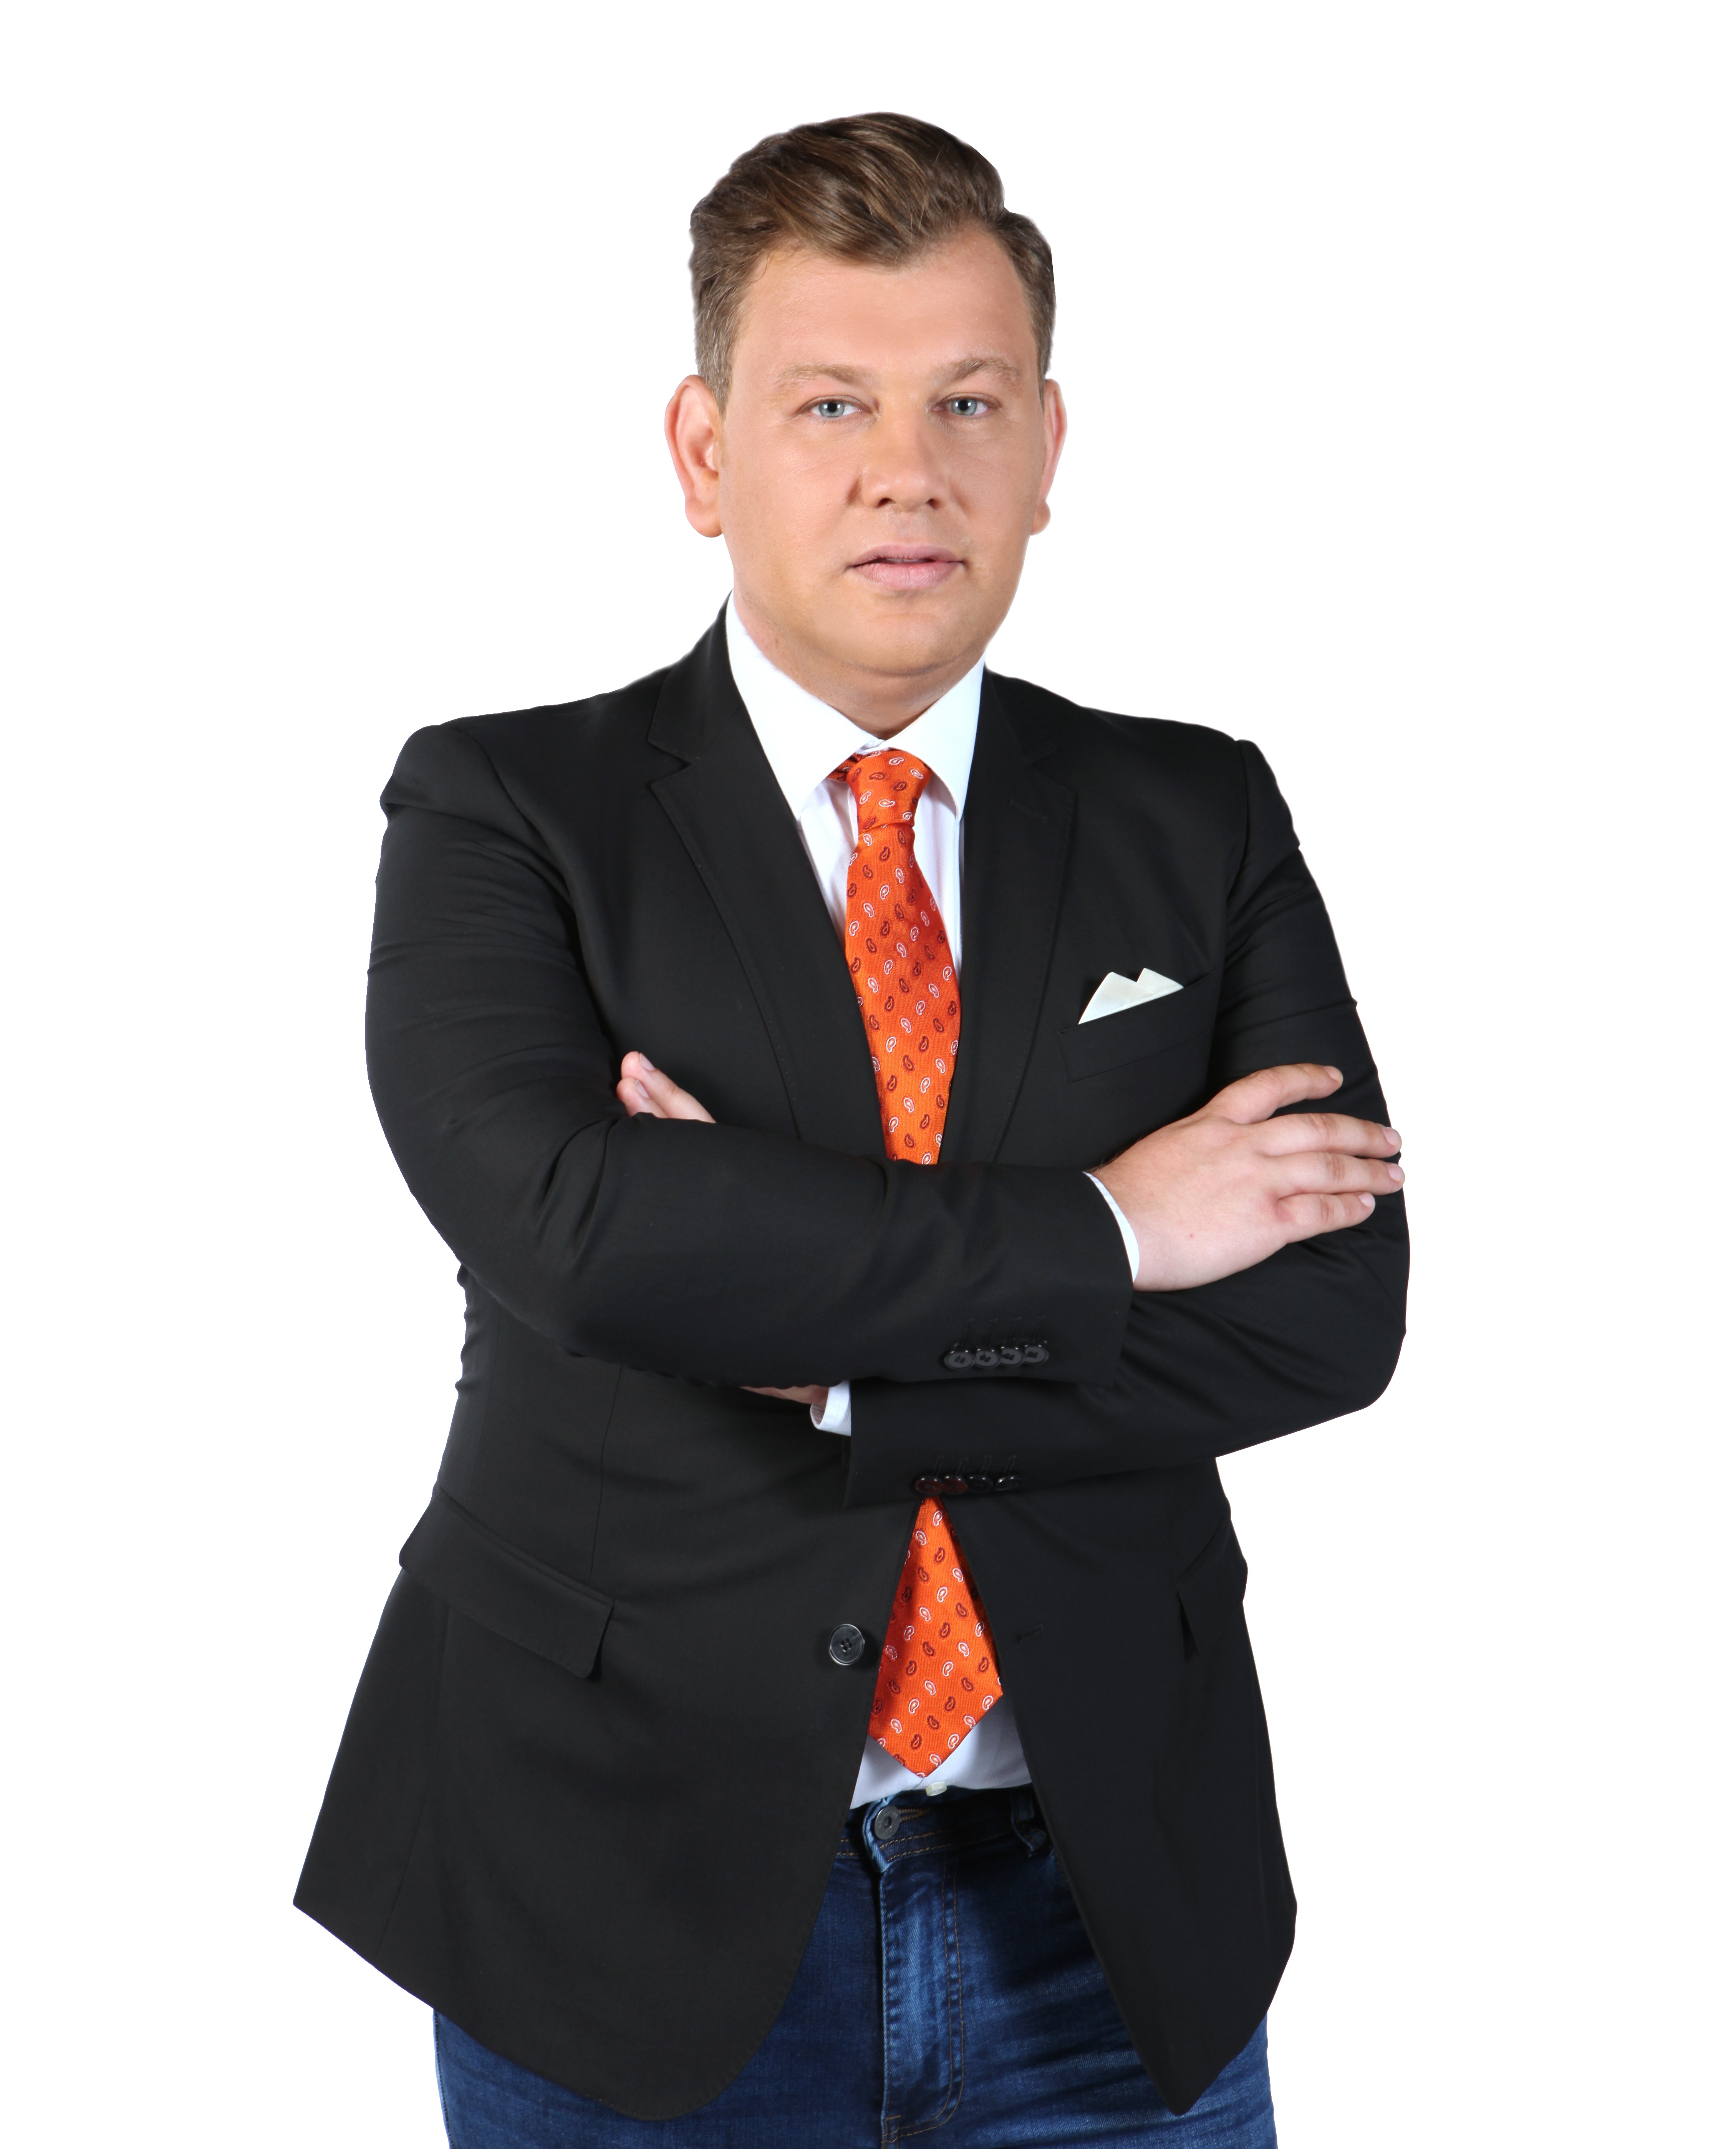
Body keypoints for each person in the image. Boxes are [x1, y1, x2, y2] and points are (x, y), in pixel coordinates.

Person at [296, 112, 1408, 2147]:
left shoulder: (1196, 812)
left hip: (1107, 1905)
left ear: (1047, 446)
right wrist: (1114, 1229)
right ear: (703, 452)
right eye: (832, 404)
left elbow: (1326, 1315)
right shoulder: (507, 810)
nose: (910, 468)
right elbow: (586, 1236)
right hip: (614, 1891)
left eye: (968, 401)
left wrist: (829, 1359)